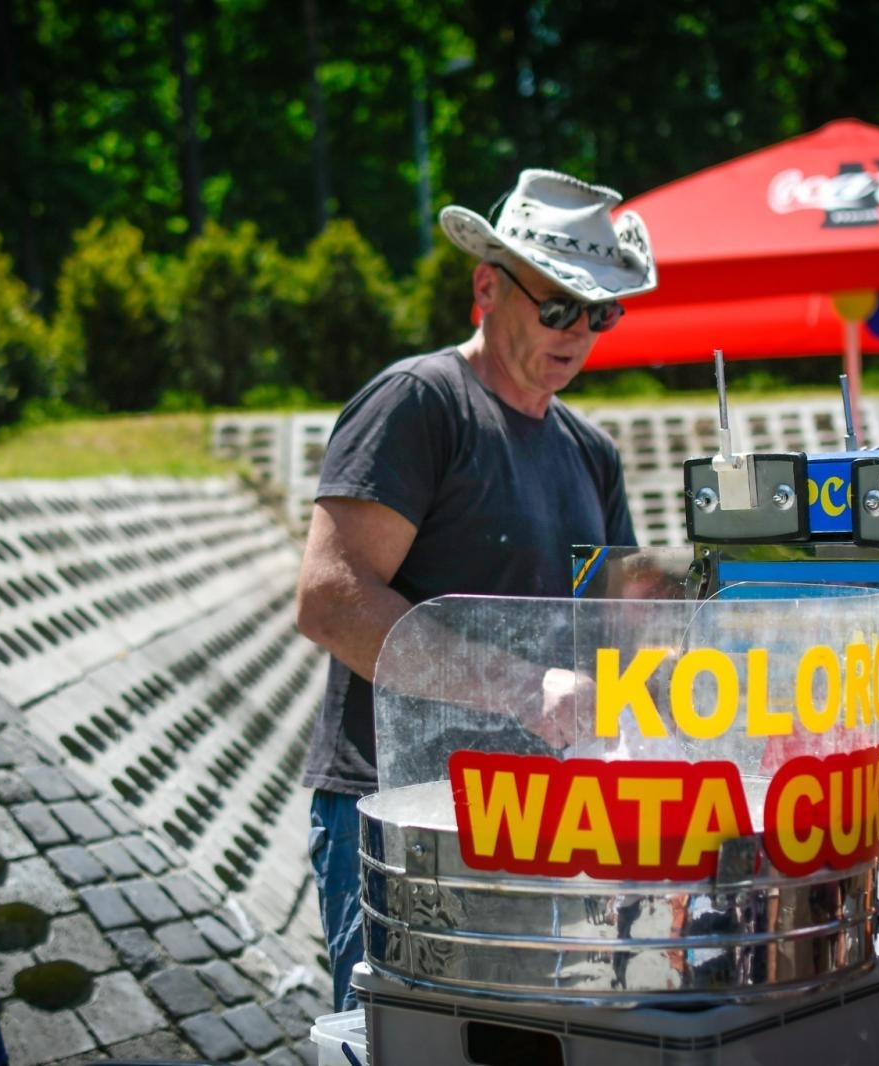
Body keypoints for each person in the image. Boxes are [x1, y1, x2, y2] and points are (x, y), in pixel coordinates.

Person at [294, 168, 658, 1010]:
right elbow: (332, 600)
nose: (580, 331)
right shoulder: (420, 403)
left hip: (539, 818)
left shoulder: (590, 452)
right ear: (486, 286)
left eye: (601, 311)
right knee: (406, 1042)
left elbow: (619, 634)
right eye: (559, 305)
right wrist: (523, 688)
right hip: (401, 817)